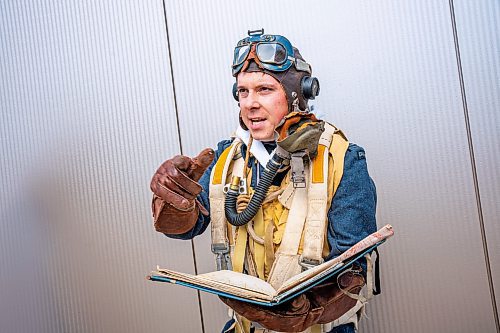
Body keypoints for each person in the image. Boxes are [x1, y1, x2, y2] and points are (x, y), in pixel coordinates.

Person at [150, 29, 377, 333]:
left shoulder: (342, 159)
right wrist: (174, 199)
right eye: (243, 92)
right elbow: (188, 226)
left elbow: (353, 269)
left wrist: (310, 309)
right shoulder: (225, 158)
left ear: (299, 94)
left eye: (264, 90)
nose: (250, 104)